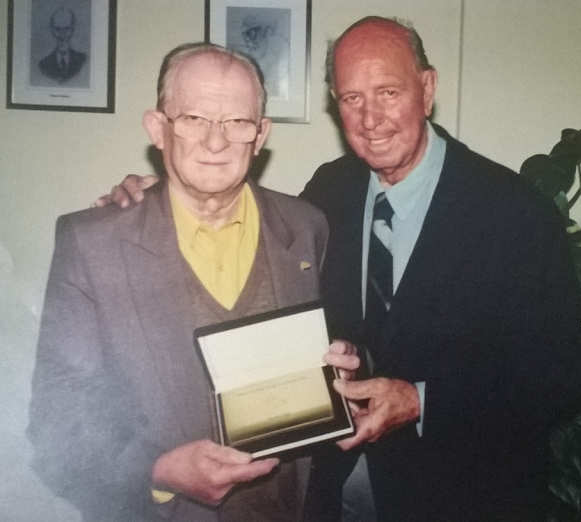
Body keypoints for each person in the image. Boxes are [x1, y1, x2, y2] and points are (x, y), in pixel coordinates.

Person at [97, 17, 581, 522]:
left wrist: (421, 401)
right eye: (352, 98)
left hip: (465, 496)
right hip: (332, 495)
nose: (371, 118)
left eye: (388, 92)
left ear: (426, 89)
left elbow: (564, 376)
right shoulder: (329, 193)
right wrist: (164, 196)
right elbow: (248, 226)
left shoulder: (514, 211)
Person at [28, 42, 358, 522]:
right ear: (157, 128)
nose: (216, 142)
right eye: (194, 119)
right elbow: (57, 422)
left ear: (260, 134)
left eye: (237, 122)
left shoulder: (307, 227)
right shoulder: (93, 244)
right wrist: (158, 471)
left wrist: (341, 375)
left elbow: (340, 352)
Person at [38, 7, 87, 83]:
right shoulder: (44, 65)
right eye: (58, 29)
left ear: (72, 30)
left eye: (67, 29)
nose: (62, 35)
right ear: (52, 30)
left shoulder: (83, 60)